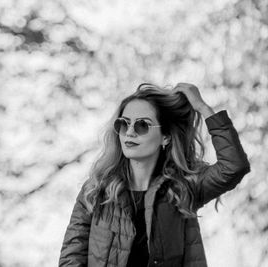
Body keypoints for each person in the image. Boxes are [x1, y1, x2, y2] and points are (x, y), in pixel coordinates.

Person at [58, 83, 251, 267]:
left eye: (142, 125)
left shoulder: (184, 187)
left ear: (165, 137)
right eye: (123, 124)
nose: (130, 132)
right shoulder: (96, 190)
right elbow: (71, 257)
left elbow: (233, 167)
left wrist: (202, 107)